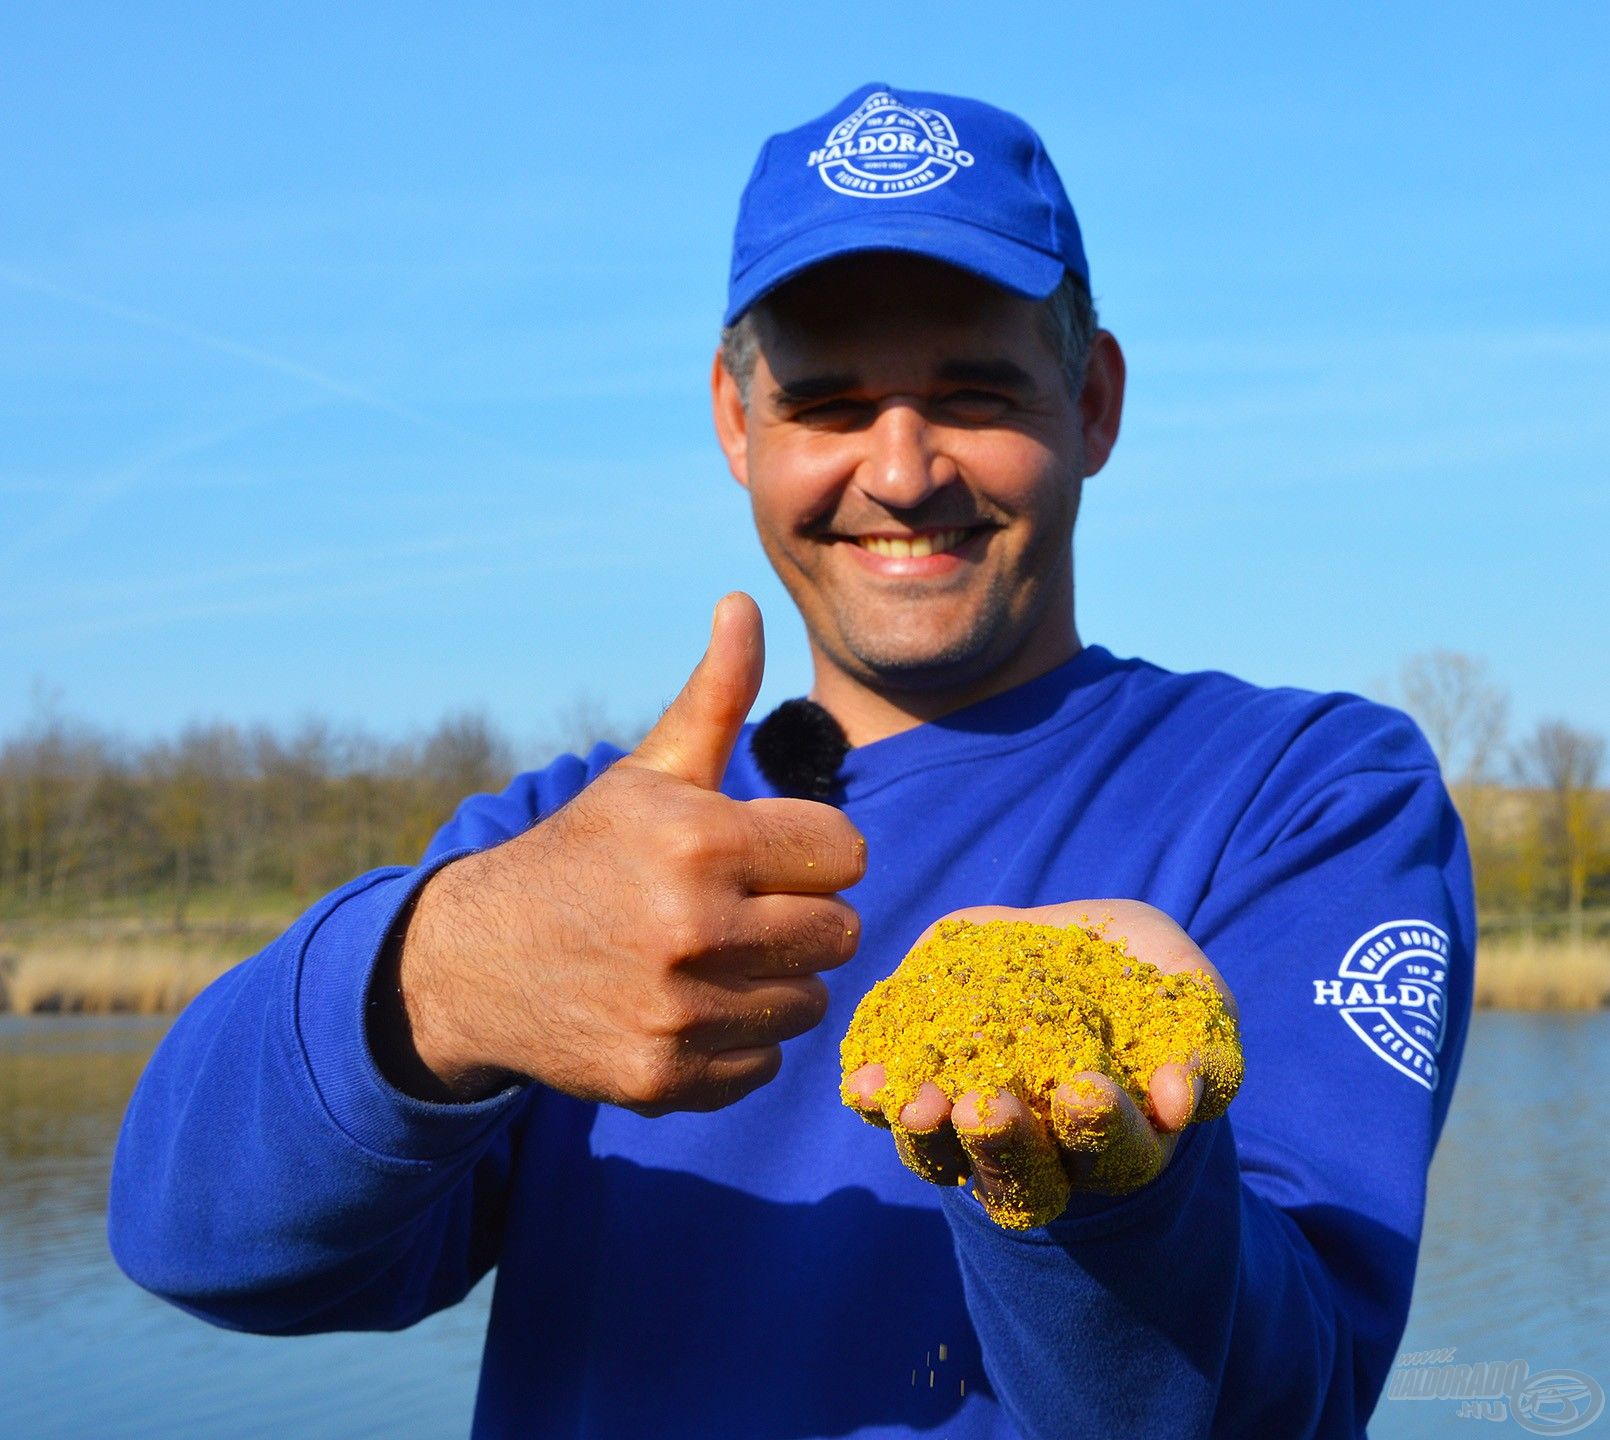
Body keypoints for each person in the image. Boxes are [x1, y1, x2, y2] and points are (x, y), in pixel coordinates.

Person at [109, 82, 1474, 1439]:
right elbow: (203, 1248)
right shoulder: (584, 849)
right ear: (733, 420)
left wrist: (1114, 1188)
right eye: (827, 403)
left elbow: (1279, 1406)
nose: (899, 469)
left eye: (972, 390)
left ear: (1093, 402)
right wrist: (442, 975)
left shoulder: (1307, 796)